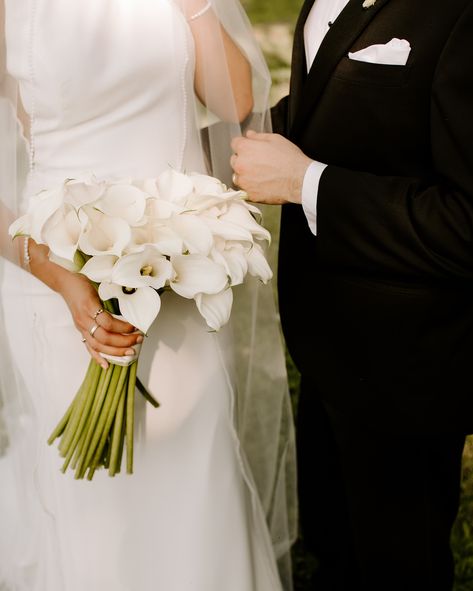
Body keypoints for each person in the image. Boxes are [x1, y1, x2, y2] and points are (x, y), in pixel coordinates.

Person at [0, 1, 297, 590]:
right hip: (55, 278)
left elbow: (236, 100)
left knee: (193, 469)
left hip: (181, 265)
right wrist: (62, 279)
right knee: (93, 501)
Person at [230, 0, 473, 590]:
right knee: (334, 548)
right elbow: (338, 113)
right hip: (325, 342)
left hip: (408, 364)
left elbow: (466, 224)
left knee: (397, 564)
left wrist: (304, 182)